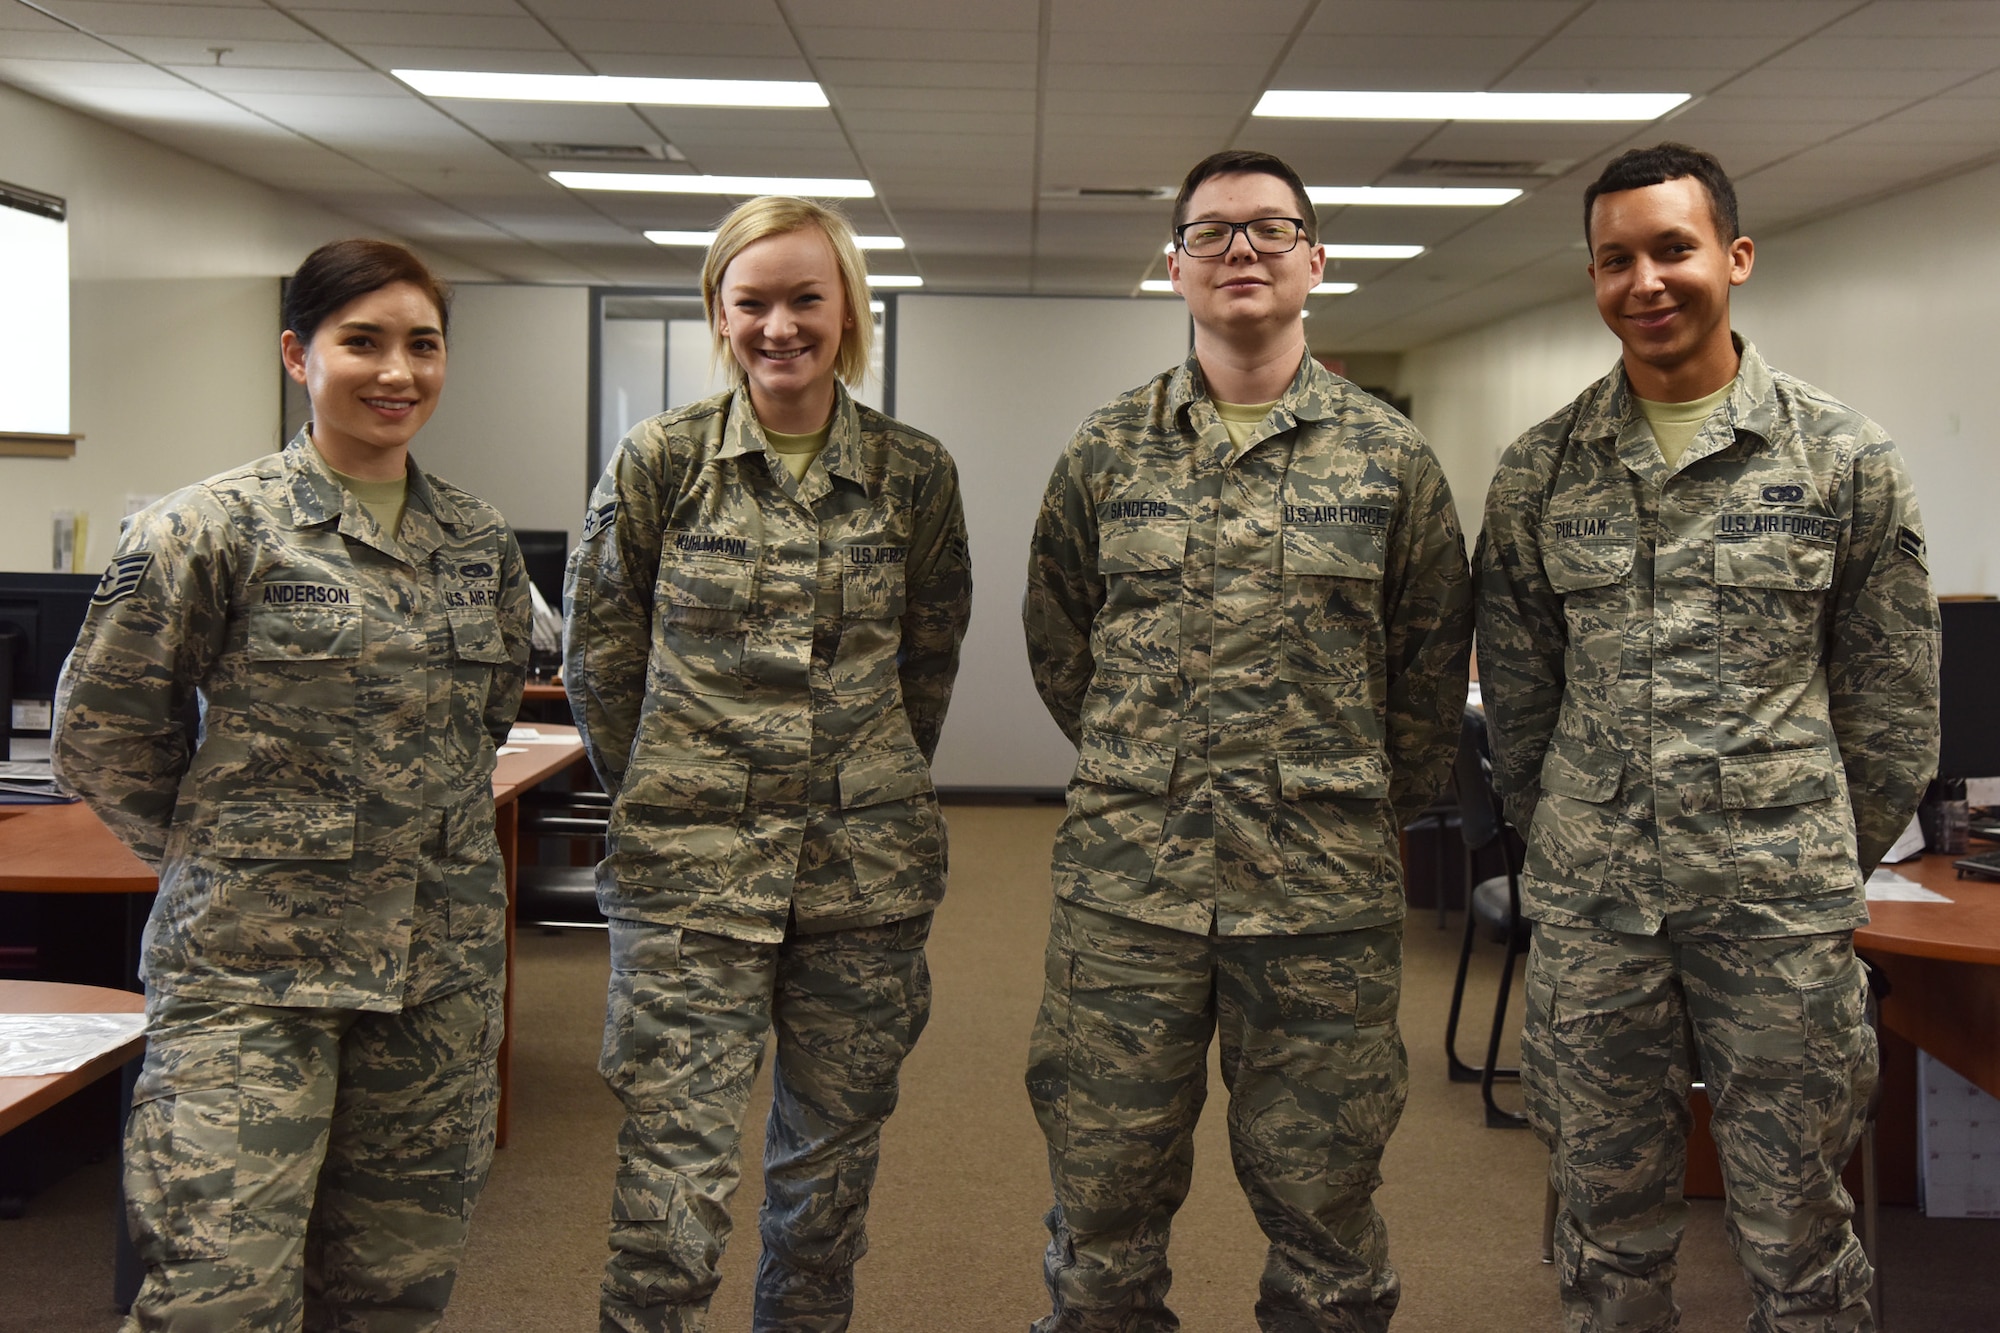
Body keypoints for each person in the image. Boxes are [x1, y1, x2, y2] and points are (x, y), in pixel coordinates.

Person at [1476, 143, 1939, 1331]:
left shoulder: (1839, 458)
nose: (1645, 281)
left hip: (1775, 914)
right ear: (1589, 277)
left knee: (1797, 1233)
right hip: (1595, 916)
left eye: (1671, 248)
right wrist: (1572, 839)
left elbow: (1890, 705)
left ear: (1731, 256)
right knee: (1599, 1224)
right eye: (1613, 258)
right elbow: (1520, 702)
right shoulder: (1540, 469)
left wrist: (1809, 845)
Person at [1022, 149, 1473, 1332]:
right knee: (1100, 1209)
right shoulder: (1106, 450)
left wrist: (1332, 797)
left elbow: (1428, 677)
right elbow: (1062, 638)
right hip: (1129, 895)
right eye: (1211, 233)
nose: (1241, 251)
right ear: (1171, 267)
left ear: (1314, 262)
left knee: (1327, 1217)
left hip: (1319, 901)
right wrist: (1149, 768)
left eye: (1270, 230)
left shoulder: (1390, 461)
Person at [52, 238, 531, 1330]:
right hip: (248, 973)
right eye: (361, 342)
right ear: (296, 354)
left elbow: (480, 721)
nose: (396, 371)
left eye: (423, 344)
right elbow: (104, 728)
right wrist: (219, 846)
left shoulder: (478, 542)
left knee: (393, 1290)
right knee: (217, 1294)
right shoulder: (209, 526)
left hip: (433, 975)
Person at [563, 196, 971, 1333]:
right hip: (688, 877)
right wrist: (675, 783)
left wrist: (863, 776)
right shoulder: (661, 461)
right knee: (669, 1181)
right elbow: (600, 656)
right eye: (752, 302)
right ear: (718, 312)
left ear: (848, 312)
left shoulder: (911, 472)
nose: (779, 326)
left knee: (825, 1185)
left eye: (805, 298)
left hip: (862, 879)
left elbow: (926, 658)